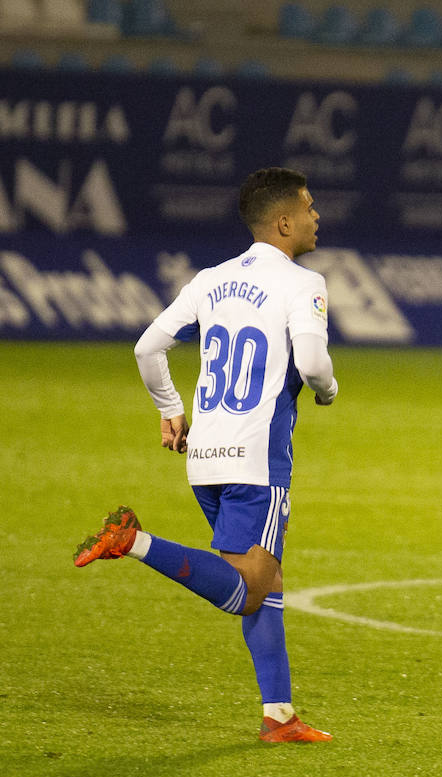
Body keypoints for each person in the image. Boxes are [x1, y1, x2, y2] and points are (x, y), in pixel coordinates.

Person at [73, 167, 339, 744]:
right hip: (258, 458)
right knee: (249, 587)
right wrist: (327, 391)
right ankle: (133, 540)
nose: (318, 217)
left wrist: (170, 407)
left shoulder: (210, 280)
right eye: (310, 207)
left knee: (265, 585)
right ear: (285, 221)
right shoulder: (304, 283)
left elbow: (148, 346)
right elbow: (315, 363)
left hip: (205, 459)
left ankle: (279, 717)